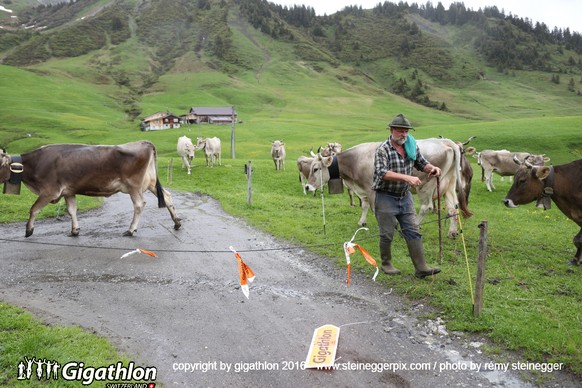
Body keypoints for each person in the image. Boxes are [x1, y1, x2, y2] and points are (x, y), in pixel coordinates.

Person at [372, 113, 441, 278]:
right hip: (385, 196)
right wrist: (407, 177)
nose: (404, 134)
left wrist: (432, 168)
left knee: (412, 230)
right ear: (392, 130)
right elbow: (382, 172)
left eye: (406, 131)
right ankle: (387, 264)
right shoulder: (383, 149)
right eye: (400, 131)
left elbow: (421, 162)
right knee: (387, 233)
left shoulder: (411, 145)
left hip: (405, 196)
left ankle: (421, 267)